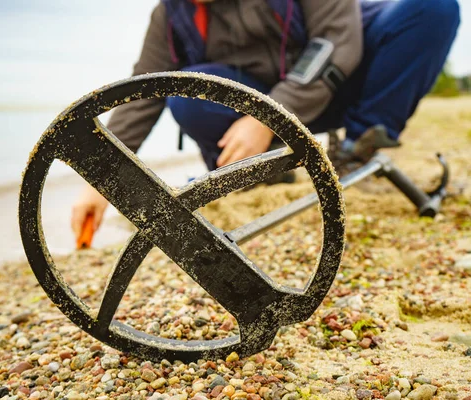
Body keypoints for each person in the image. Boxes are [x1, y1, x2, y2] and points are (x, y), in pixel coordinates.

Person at [71, 0, 460, 240]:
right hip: (251, 108)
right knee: (186, 94)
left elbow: (337, 43)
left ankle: (361, 148)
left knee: (433, 7)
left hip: (345, 79)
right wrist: (101, 181)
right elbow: (142, 94)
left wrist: (268, 118)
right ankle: (257, 172)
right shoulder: (169, 16)